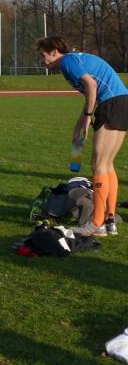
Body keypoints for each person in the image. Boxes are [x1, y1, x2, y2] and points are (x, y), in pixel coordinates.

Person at [37, 35, 128, 236]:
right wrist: (81, 122)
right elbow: (90, 94)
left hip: (112, 104)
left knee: (98, 165)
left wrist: (88, 116)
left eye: (43, 55)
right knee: (107, 164)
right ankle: (109, 219)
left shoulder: (67, 62)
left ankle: (96, 223)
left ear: (54, 51)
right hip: (122, 103)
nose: (42, 60)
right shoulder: (74, 60)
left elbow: (91, 85)